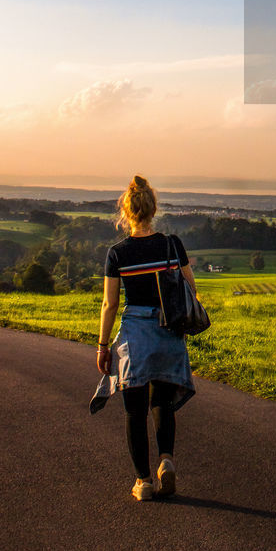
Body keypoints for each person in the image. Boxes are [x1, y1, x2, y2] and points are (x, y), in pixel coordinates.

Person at [91, 174, 197, 502]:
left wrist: (103, 344)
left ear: (127, 211)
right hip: (168, 330)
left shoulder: (118, 253)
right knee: (162, 402)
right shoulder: (172, 244)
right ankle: (166, 460)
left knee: (134, 410)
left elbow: (110, 304)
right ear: (153, 209)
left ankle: (144, 481)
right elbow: (190, 288)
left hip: (135, 335)